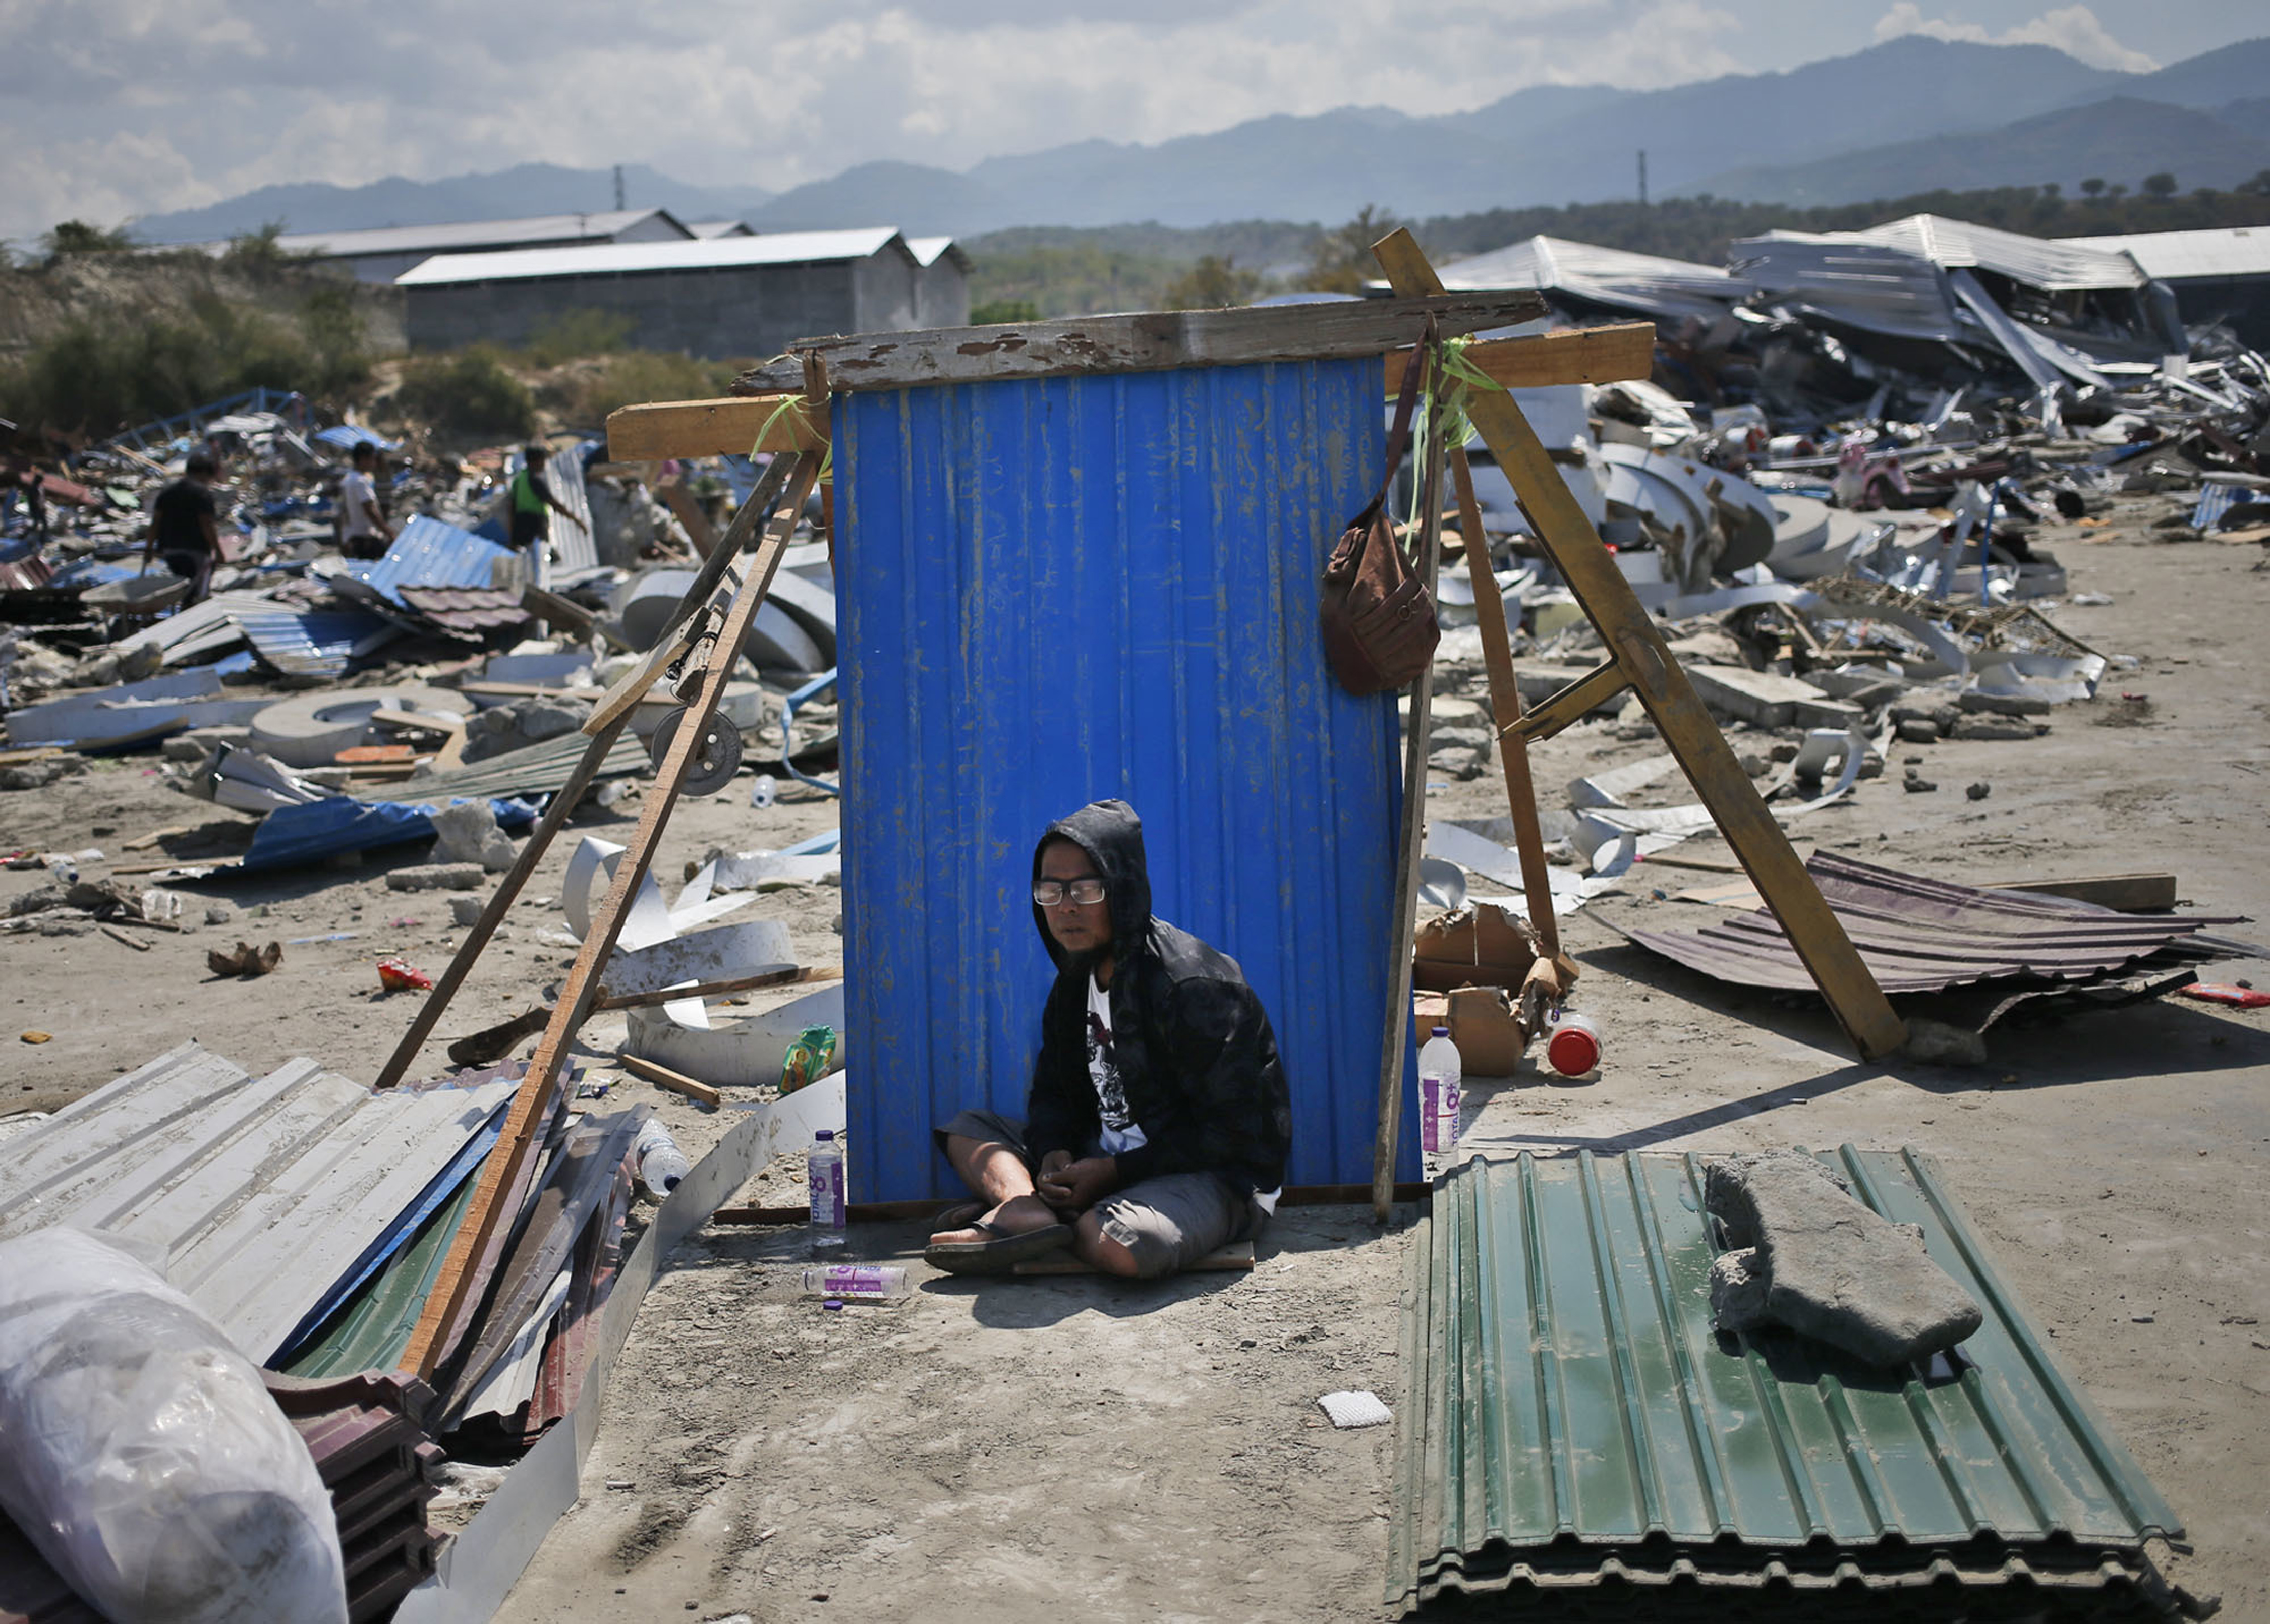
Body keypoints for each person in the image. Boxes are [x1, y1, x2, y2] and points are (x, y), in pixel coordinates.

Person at [925, 799, 1292, 1279]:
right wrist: (1055, 1149)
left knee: (1133, 1245)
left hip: (1215, 1179)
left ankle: (1037, 1221)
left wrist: (1113, 1176)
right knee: (968, 1130)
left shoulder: (1193, 985)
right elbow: (1054, 1091)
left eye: (1086, 889)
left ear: (1122, 891)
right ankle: (1026, 1209)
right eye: (1050, 891)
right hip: (1104, 1165)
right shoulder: (1074, 980)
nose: (1067, 907)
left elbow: (1234, 1134)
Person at [143, 449, 222, 605]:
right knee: (195, 594)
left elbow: (156, 523)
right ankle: (189, 622)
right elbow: (206, 524)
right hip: (196, 552)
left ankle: (182, 618)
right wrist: (218, 551)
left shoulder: (167, 492)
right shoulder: (202, 494)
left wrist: (149, 548)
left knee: (182, 590)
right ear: (204, 473)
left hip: (170, 551)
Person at [506, 443, 573, 556]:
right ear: (534, 462)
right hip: (535, 524)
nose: (544, 464)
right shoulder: (534, 481)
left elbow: (512, 507)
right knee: (541, 559)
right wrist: (577, 521)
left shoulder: (519, 479)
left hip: (520, 524)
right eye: (543, 461)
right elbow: (553, 503)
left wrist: (512, 535)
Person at [336, 440, 393, 560]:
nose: (375, 463)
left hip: (353, 537)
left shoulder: (348, 479)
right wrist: (389, 533)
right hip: (364, 539)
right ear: (363, 459)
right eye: (373, 459)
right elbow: (370, 510)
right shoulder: (360, 481)